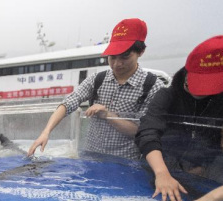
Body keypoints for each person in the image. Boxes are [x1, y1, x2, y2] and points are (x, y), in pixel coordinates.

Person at [28, 18, 164, 160]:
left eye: (125, 57)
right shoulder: (97, 79)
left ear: (141, 51)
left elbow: (143, 132)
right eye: (112, 57)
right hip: (90, 157)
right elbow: (70, 102)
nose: (117, 64)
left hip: (126, 162)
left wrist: (108, 115)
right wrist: (46, 132)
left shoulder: (153, 87)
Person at [135, 35, 223, 201]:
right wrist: (161, 173)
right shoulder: (167, 95)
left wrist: (206, 168)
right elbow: (147, 131)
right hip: (163, 166)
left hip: (207, 171)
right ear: (186, 74)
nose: (201, 92)